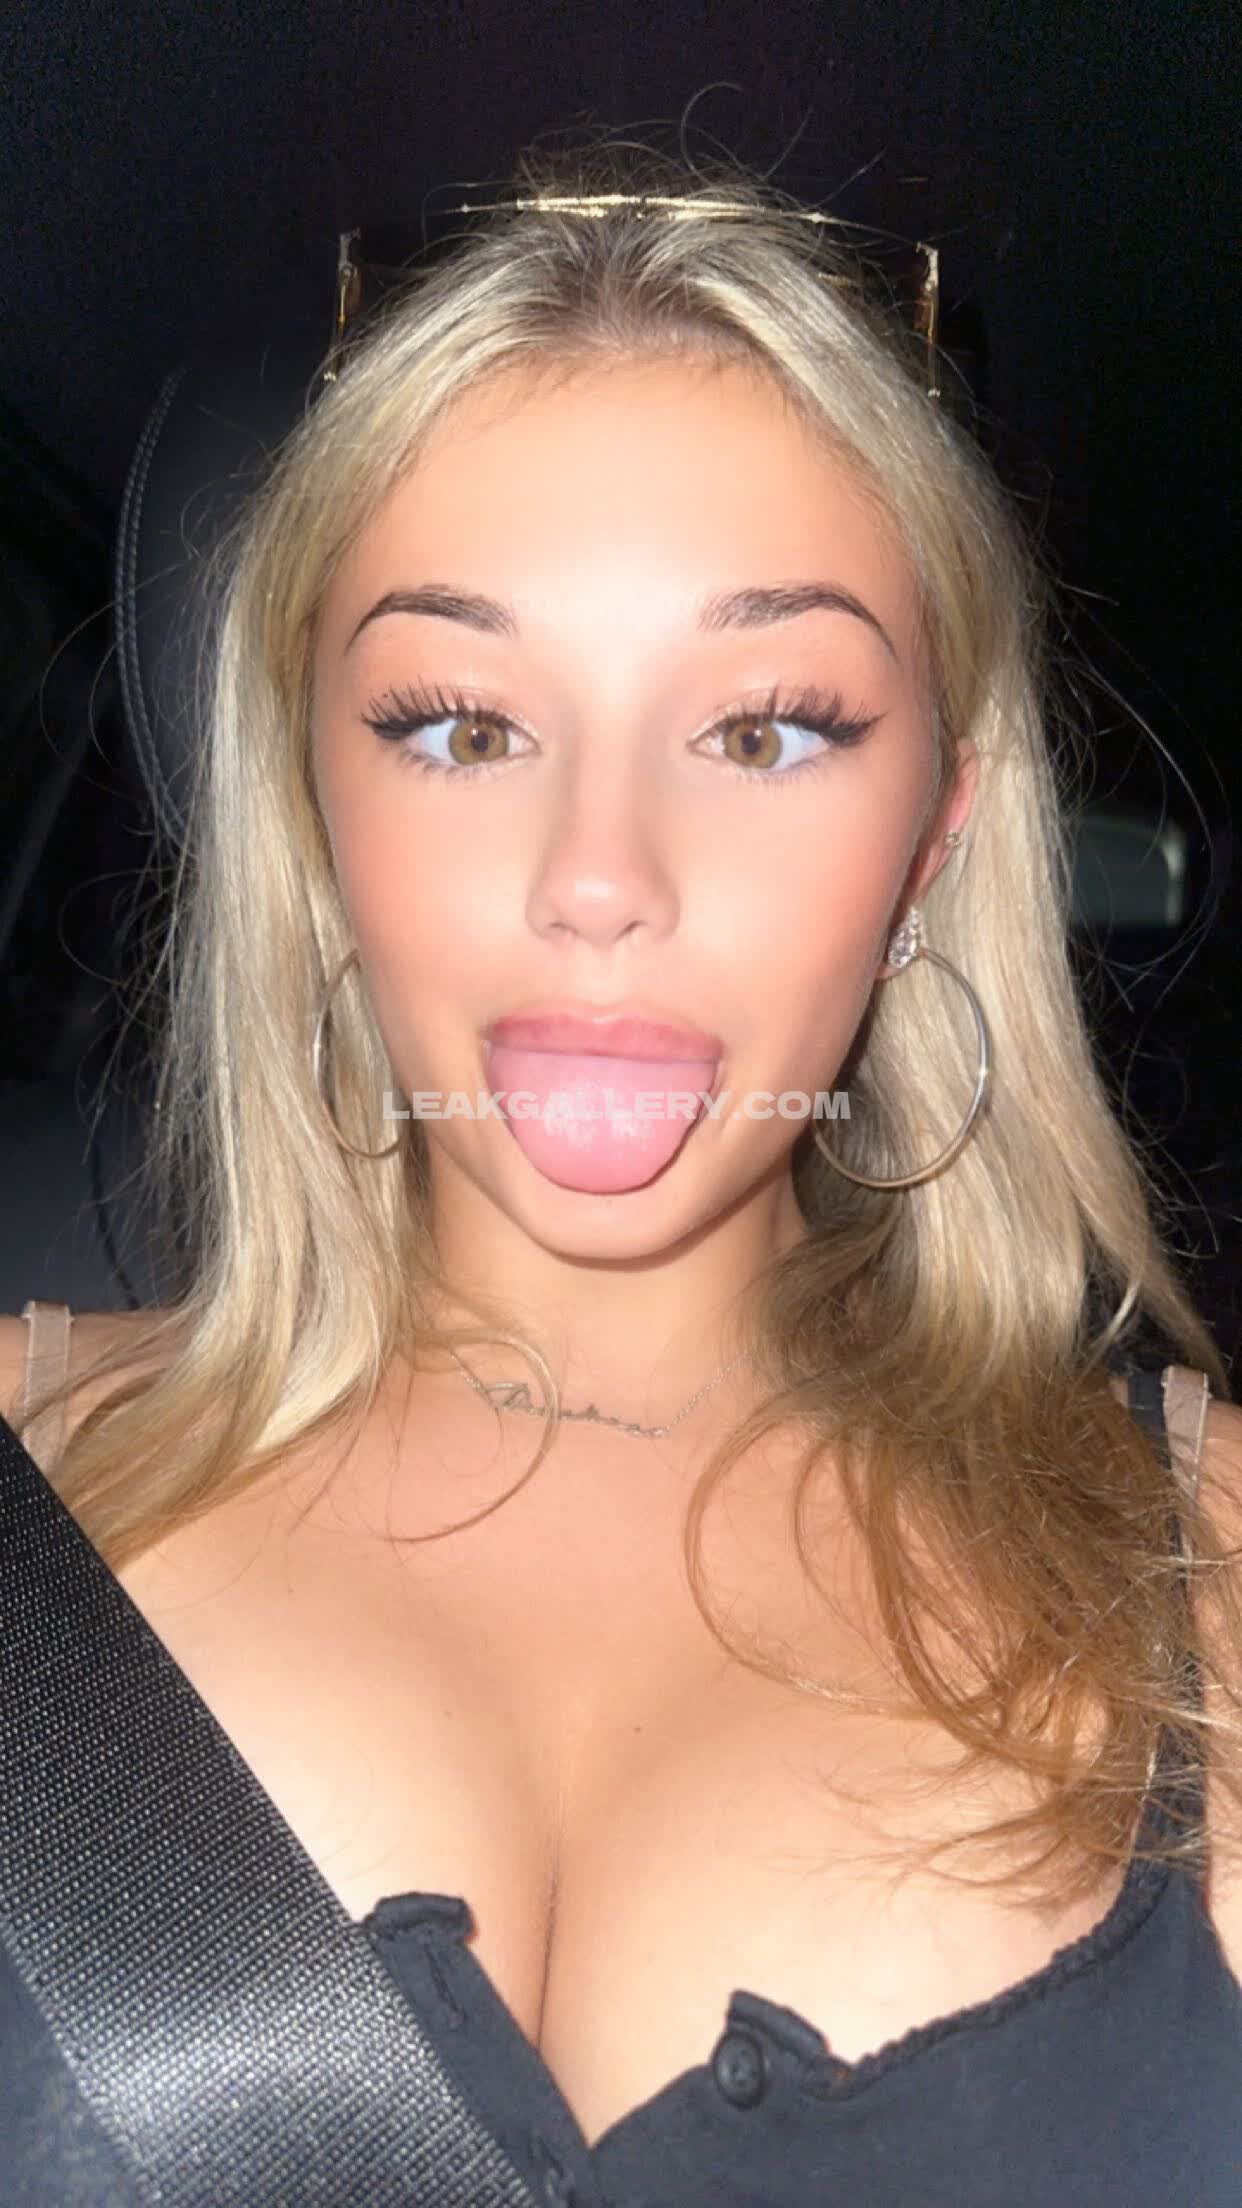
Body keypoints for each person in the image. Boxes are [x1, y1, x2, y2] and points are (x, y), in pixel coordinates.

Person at [2, 133, 1240, 2204]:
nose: (599, 879)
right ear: (311, 808)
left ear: (935, 837)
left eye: (763, 730)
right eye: (460, 725)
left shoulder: (1205, 1573)